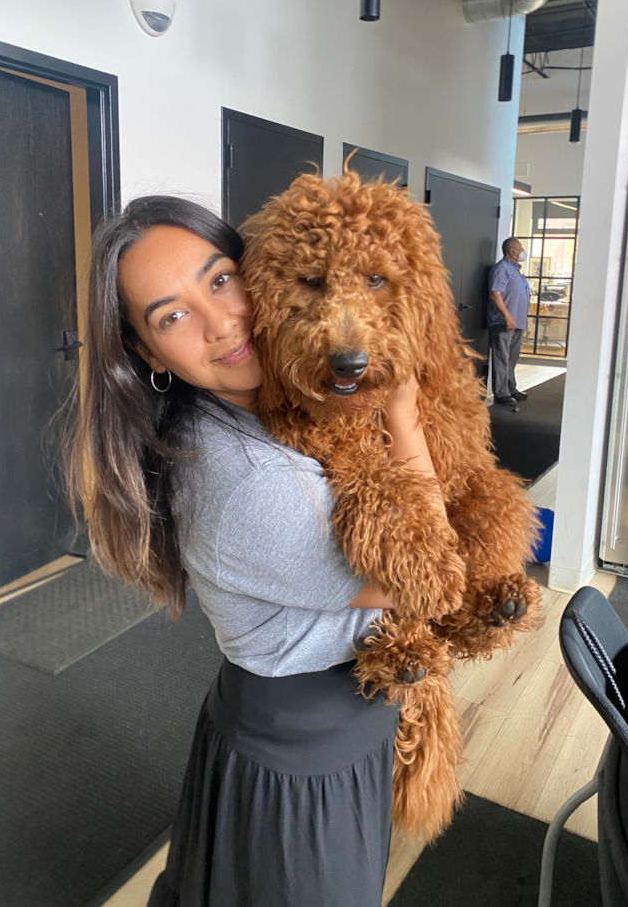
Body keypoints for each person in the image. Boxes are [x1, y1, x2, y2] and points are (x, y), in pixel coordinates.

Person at [64, 195, 442, 907]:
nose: (219, 323)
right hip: (300, 753)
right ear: (147, 353)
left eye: (219, 280)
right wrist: (400, 411)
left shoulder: (278, 404)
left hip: (322, 719)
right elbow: (424, 577)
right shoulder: (245, 482)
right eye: (170, 316)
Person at [487, 236, 531, 405]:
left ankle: (511, 387)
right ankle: (501, 392)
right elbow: (495, 294)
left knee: (512, 357)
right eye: (520, 248)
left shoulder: (516, 271)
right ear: (512, 251)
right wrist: (507, 316)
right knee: (502, 356)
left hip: (517, 321)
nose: (522, 251)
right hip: (503, 321)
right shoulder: (502, 269)